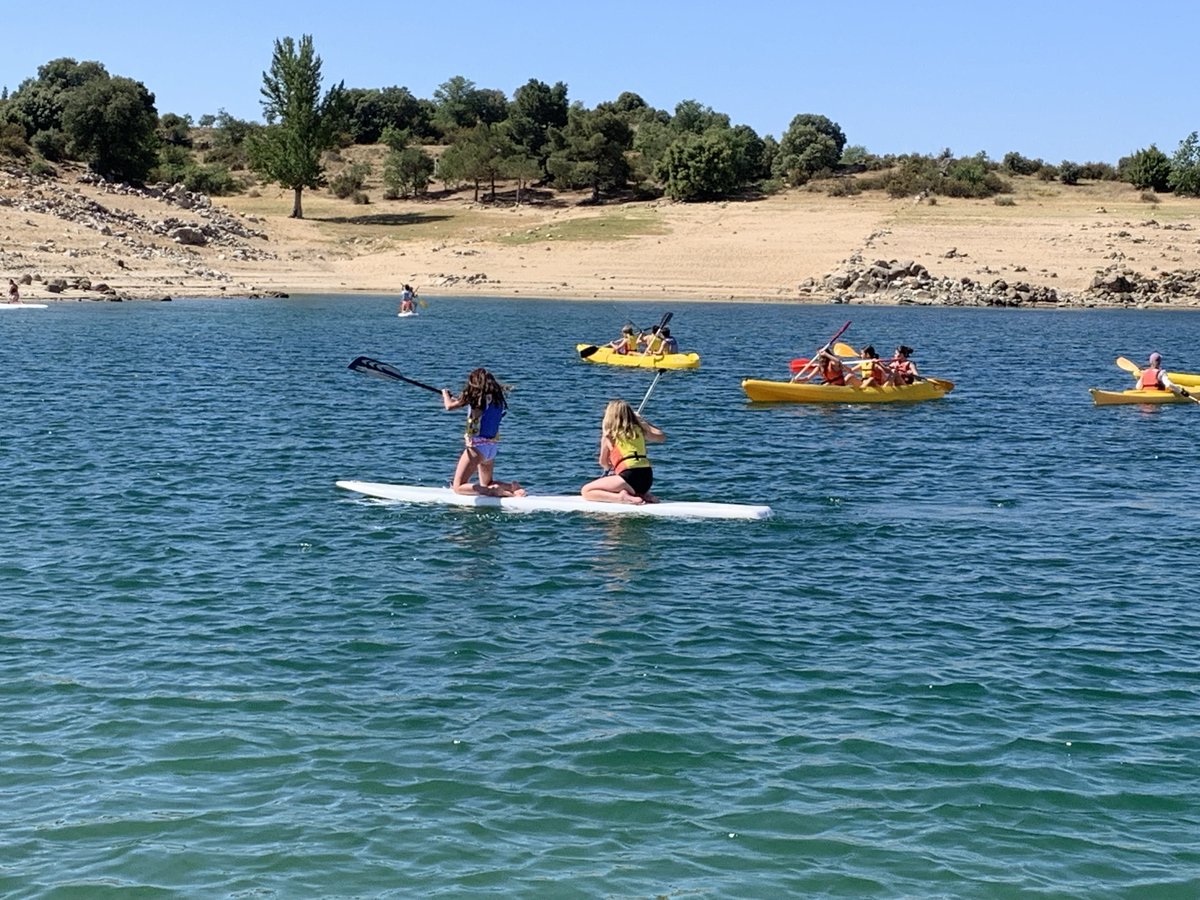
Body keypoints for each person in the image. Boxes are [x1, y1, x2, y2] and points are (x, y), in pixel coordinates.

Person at [441, 368, 525, 497]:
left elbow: (449, 406)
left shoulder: (475, 399)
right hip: (491, 447)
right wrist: (462, 399)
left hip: (477, 448)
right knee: (487, 482)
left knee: (458, 487)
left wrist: (445, 395)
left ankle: (493, 491)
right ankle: (513, 488)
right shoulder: (497, 400)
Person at [581, 399, 666, 505]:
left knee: (586, 491)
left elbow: (604, 463)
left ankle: (621, 497)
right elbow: (661, 437)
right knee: (623, 484)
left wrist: (610, 468)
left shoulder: (609, 435)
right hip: (647, 477)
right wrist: (643, 422)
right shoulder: (639, 431)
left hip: (629, 476)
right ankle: (642, 494)